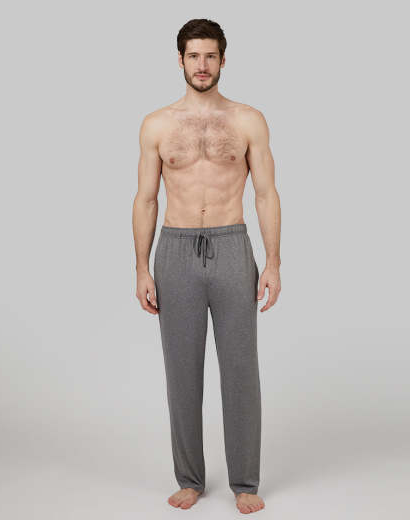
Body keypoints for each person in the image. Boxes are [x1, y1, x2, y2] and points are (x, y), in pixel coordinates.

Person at [132, 18, 281, 515]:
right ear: (180, 60)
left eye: (210, 56)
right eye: (193, 56)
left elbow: (266, 194)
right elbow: (146, 199)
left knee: (241, 370)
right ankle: (190, 479)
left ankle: (245, 481)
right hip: (174, 249)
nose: (202, 65)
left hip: (232, 245)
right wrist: (141, 268)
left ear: (222, 60)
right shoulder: (157, 124)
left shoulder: (248, 120)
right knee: (181, 371)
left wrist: (273, 262)